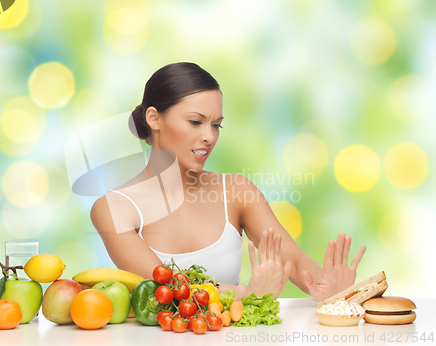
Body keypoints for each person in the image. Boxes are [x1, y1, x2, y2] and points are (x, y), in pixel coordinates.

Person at [91, 62, 366, 301]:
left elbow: (292, 260)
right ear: (154, 118)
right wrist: (247, 294)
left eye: (216, 124)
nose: (209, 137)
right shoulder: (114, 209)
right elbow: (164, 287)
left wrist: (329, 288)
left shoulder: (237, 192)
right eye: (195, 121)